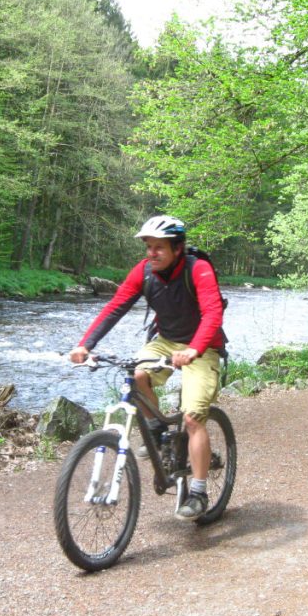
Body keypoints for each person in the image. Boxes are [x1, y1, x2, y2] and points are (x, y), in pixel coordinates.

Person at [68, 215, 226, 520]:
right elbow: (116, 306)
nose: (151, 253)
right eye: (148, 247)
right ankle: (158, 434)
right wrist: (86, 344)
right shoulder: (145, 272)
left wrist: (194, 349)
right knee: (137, 375)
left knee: (193, 418)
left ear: (178, 248)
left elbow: (212, 313)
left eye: (159, 248)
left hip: (202, 346)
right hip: (165, 341)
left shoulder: (199, 269)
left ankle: (199, 491)